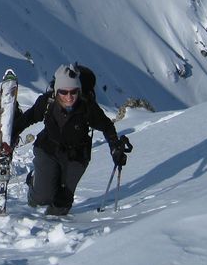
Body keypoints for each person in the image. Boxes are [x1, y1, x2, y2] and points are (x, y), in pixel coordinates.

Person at [15, 63, 128, 215]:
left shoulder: (87, 107)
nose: (69, 97)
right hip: (48, 149)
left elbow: (107, 126)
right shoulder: (47, 103)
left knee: (62, 204)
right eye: (63, 92)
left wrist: (115, 147)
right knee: (41, 198)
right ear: (56, 91)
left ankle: (51, 228)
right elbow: (27, 118)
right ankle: (33, 181)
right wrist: (10, 135)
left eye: (73, 92)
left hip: (77, 156)